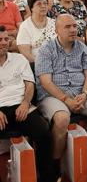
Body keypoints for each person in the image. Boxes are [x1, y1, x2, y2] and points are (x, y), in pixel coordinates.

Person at [35, 14, 87, 171]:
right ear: (57, 30)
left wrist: (85, 94)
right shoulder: (46, 50)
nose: (73, 29)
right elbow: (46, 82)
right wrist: (67, 100)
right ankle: (55, 163)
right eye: (67, 27)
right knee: (62, 119)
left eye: (74, 26)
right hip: (52, 95)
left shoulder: (82, 48)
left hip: (80, 91)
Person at [0, 25, 57, 182]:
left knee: (44, 132)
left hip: (20, 105)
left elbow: (30, 85)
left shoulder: (19, 59)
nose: (4, 42)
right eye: (0, 39)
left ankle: (46, 177)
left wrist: (26, 103)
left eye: (6, 39)